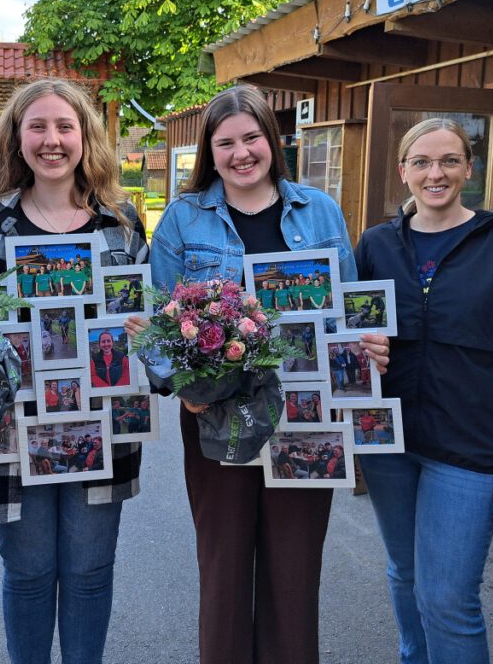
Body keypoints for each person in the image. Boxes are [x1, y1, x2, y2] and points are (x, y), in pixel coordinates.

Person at [149, 84, 389, 664]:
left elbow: (350, 302)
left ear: (272, 141)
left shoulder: (320, 209)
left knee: (294, 570)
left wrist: (367, 347)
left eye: (251, 137)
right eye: (225, 142)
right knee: (225, 566)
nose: (241, 153)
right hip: (219, 414)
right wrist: (184, 388)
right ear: (211, 150)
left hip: (307, 414)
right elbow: (155, 319)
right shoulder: (184, 218)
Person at [354, 118, 493, 664]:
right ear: (404, 173)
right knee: (404, 573)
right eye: (421, 162)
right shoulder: (377, 244)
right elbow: (348, 335)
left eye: (449, 160)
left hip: (470, 447)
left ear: (469, 169)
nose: (435, 173)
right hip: (389, 443)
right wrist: (363, 350)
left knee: (448, 599)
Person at [0, 78, 149, 664]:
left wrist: (144, 329)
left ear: (85, 136)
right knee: (29, 573)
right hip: (13, 428)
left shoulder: (120, 223)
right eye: (37, 126)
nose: (52, 140)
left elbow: (147, 316)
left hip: (102, 423)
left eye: (65, 126)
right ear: (17, 138)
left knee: (90, 571)